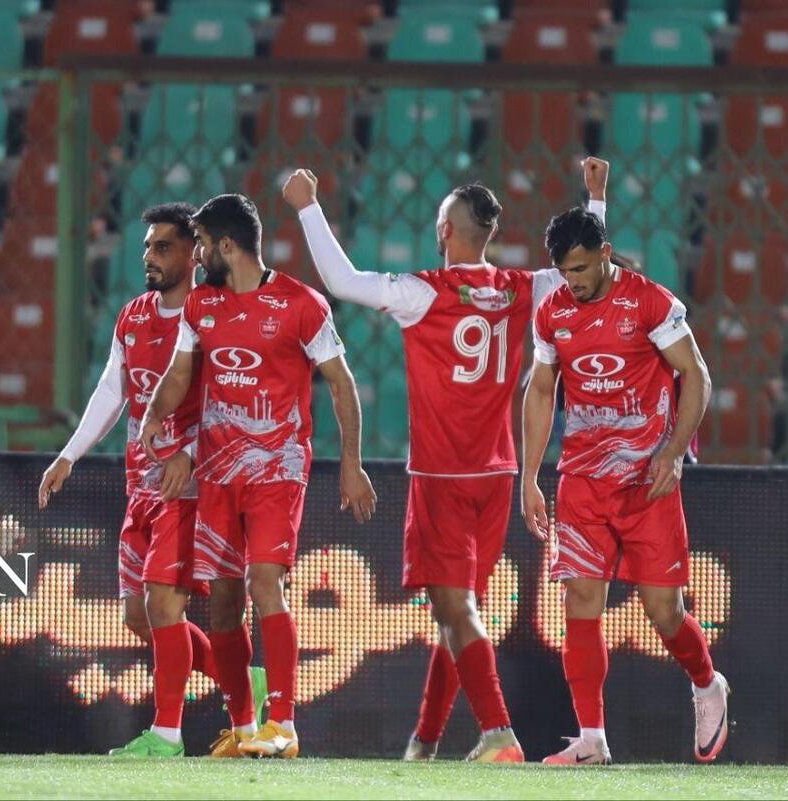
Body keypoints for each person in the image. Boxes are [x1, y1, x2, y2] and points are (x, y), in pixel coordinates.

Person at [281, 159, 609, 762]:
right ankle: (425, 743)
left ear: (445, 232)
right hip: (497, 474)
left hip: (441, 476)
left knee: (457, 611)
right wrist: (596, 201)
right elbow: (581, 264)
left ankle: (498, 733)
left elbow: (342, 280)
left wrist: (307, 206)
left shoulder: (423, 292)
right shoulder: (523, 288)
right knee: (460, 617)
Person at [139, 194, 377, 759]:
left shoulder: (302, 304)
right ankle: (245, 727)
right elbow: (179, 373)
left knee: (263, 583)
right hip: (217, 472)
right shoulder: (202, 304)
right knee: (223, 604)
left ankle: (285, 725)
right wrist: (153, 413)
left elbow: (341, 383)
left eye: (202, 244)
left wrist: (351, 464)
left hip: (278, 467)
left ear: (226, 246)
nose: (197, 255)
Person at [38, 203, 268, 757]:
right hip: (140, 486)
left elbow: (231, 400)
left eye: (163, 247)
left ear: (194, 254)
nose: (150, 256)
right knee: (139, 616)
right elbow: (112, 391)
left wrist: (188, 452)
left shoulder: (213, 315)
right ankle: (242, 683)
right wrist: (69, 454)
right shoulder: (133, 316)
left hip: (189, 490)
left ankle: (166, 736)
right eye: (147, 246)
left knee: (165, 606)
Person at [520, 205, 730, 766]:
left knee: (664, 612)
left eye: (581, 268)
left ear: (605, 255)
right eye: (565, 271)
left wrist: (674, 453)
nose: (573, 280)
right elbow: (540, 391)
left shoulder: (650, 303)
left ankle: (707, 684)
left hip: (646, 482)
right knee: (580, 600)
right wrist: (529, 477)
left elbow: (697, 375)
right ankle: (592, 739)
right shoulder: (552, 313)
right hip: (582, 480)